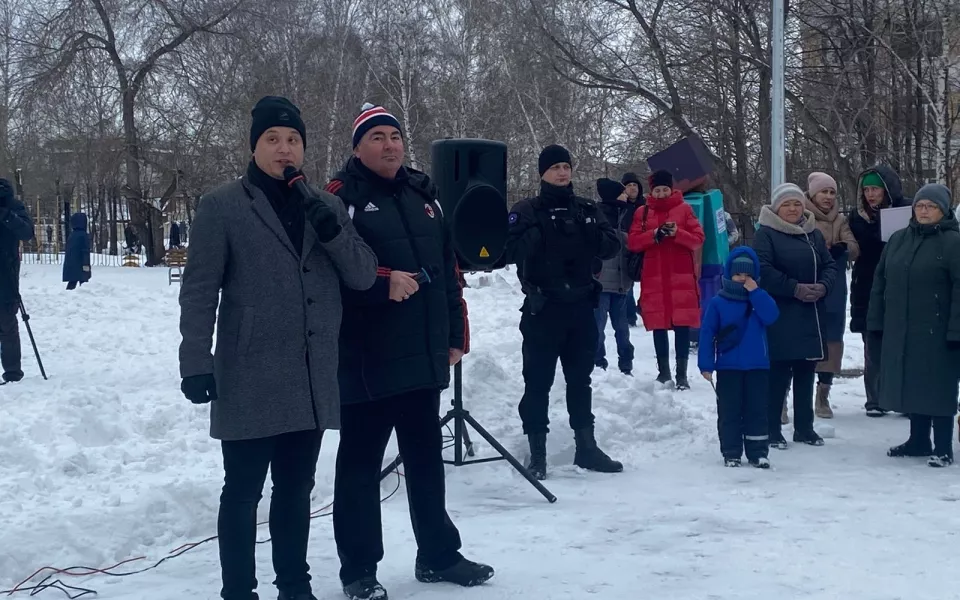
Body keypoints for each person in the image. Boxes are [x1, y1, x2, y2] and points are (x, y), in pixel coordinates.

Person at [178, 95, 378, 600]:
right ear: (254, 148)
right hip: (247, 376)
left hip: (310, 379)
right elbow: (199, 291)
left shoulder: (325, 206)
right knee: (242, 493)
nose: (284, 149)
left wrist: (333, 232)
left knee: (296, 492)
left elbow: (360, 276)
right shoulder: (222, 205)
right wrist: (195, 363)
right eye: (273, 140)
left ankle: (295, 587)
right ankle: (238, 592)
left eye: (293, 141)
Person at [324, 103, 493, 600]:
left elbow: (448, 269)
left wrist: (456, 333)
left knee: (425, 462)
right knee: (358, 469)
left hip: (421, 355)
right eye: (376, 137)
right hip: (365, 359)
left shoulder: (427, 198)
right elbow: (332, 270)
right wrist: (381, 285)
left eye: (395, 136)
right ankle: (358, 570)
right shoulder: (340, 198)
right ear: (357, 147)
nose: (389, 145)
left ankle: (438, 555)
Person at [505, 144, 623, 481]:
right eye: (555, 167)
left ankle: (586, 447)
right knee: (537, 383)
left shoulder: (586, 209)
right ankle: (537, 453)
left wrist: (592, 234)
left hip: (581, 309)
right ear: (542, 172)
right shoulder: (527, 210)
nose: (562, 173)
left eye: (566, 166)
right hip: (544, 310)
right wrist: (535, 236)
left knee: (580, 381)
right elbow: (507, 250)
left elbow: (612, 245)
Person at [868, 183, 960, 467]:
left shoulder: (954, 242)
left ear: (943, 211)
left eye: (931, 207)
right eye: (920, 206)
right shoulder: (898, 239)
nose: (924, 211)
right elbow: (880, 283)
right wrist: (876, 322)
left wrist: (956, 330)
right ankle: (918, 440)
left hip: (938, 329)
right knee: (913, 383)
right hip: (901, 327)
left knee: (939, 387)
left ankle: (943, 447)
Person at [753, 183, 837, 449]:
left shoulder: (812, 233)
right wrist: (794, 288)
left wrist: (824, 285)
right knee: (778, 374)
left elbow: (830, 264)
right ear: (777, 207)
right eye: (787, 204)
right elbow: (762, 269)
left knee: (806, 372)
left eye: (797, 203)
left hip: (811, 312)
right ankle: (772, 429)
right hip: (780, 312)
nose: (792, 208)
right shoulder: (766, 233)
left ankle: (805, 428)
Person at [698, 247, 779, 468]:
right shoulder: (718, 302)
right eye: (738, 274)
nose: (743, 279)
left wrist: (756, 293)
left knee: (757, 410)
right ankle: (731, 451)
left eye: (748, 275)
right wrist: (706, 364)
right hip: (728, 366)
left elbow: (771, 316)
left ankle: (758, 451)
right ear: (729, 275)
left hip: (757, 366)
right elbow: (707, 334)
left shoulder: (759, 299)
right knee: (729, 410)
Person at [627, 169, 705, 389]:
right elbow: (633, 242)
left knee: (681, 325)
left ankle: (682, 375)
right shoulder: (642, 212)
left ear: (672, 189)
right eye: (657, 190)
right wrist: (654, 235)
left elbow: (698, 238)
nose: (661, 194)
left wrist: (677, 233)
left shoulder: (684, 209)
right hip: (654, 275)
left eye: (665, 189)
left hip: (680, 276)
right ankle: (663, 372)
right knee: (658, 323)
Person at [848, 165, 909, 417]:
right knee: (872, 343)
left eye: (876, 189)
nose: (871, 195)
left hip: (900, 286)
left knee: (904, 345)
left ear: (887, 190)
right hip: (868, 286)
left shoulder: (907, 211)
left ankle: (906, 397)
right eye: (867, 190)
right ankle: (875, 399)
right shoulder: (858, 217)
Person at [802, 172, 859, 419]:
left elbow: (854, 247)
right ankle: (784, 397)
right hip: (804, 283)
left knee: (831, 340)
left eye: (832, 192)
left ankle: (823, 393)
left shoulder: (840, 220)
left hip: (833, 287)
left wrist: (843, 249)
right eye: (823, 192)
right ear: (813, 194)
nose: (828, 196)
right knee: (800, 339)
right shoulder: (800, 212)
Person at [594, 177, 637, 375]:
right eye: (622, 192)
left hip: (621, 282)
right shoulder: (600, 216)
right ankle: (598, 363)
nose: (626, 195)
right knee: (598, 328)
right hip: (602, 283)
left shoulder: (627, 214)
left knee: (623, 330)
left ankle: (626, 365)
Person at [0, 177, 34, 384]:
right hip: (8, 271)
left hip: (6, 272)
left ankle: (12, 371)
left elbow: (27, 233)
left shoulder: (13, 206)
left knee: (7, 322)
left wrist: (6, 216)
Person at [621, 172, 643, 327]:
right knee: (627, 286)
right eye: (628, 185)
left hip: (644, 247)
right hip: (626, 249)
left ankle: (642, 307)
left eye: (634, 184)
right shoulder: (621, 207)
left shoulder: (646, 205)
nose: (632, 188)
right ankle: (630, 316)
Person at [63, 212, 91, 290]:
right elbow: (85, 251)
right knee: (84, 281)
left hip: (71, 264)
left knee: (73, 281)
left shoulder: (72, 235)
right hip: (81, 263)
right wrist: (86, 265)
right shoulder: (84, 235)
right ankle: (84, 294)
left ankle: (68, 294)